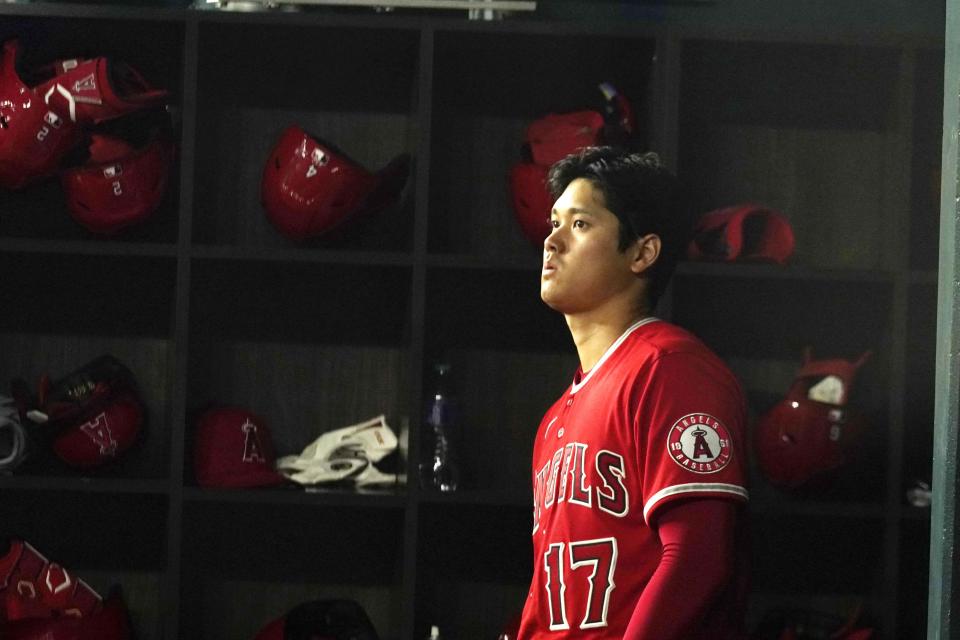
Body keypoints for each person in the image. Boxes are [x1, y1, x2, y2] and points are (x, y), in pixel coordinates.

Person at [516, 146, 749, 639]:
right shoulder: (557, 415)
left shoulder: (669, 368)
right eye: (553, 222)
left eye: (579, 224)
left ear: (642, 252)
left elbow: (697, 557)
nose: (551, 241)